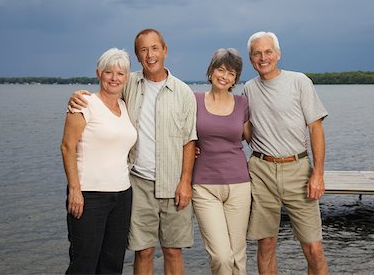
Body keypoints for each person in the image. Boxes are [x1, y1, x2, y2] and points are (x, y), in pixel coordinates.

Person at [68, 29, 197, 275]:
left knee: (173, 250)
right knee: (143, 250)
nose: (150, 55)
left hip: (173, 183)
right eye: (143, 50)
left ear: (165, 51)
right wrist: (76, 96)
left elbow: (189, 140)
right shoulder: (129, 84)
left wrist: (186, 181)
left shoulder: (183, 93)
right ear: (138, 56)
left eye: (155, 48)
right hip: (137, 183)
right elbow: (104, 95)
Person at [243, 31, 329, 275]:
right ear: (251, 59)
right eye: (257, 53)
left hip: (297, 170)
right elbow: (245, 129)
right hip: (261, 171)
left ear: (278, 54)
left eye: (268, 52)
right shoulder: (249, 89)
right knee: (266, 245)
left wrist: (318, 174)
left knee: (313, 248)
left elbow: (315, 128)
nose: (263, 58)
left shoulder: (299, 81)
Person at [61, 48, 137, 274]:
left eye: (120, 73)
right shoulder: (84, 103)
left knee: (112, 264)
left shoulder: (124, 106)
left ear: (126, 77)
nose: (114, 78)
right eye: (108, 72)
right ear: (98, 74)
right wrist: (75, 190)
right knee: (84, 263)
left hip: (122, 195)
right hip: (89, 195)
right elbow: (67, 147)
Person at [192, 48, 251, 275]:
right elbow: (180, 134)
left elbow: (253, 138)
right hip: (205, 186)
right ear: (211, 71)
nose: (225, 76)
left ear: (235, 79)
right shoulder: (194, 99)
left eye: (231, 73)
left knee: (238, 256)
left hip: (239, 185)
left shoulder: (242, 103)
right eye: (221, 69)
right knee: (221, 257)